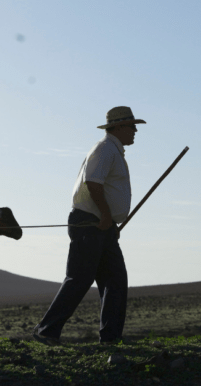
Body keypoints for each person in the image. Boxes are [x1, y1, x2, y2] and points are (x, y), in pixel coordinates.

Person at [33, 106, 144, 346]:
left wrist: (110, 220)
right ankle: (46, 331)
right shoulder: (105, 149)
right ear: (118, 127)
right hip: (91, 224)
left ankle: (111, 339)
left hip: (102, 226)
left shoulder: (112, 150)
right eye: (132, 125)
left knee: (115, 280)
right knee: (80, 278)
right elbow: (93, 183)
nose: (135, 130)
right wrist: (106, 215)